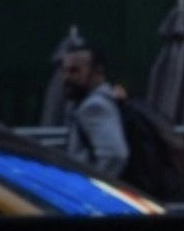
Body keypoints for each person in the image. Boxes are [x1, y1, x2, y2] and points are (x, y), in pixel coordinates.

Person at [54, 42, 131, 182]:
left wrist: (91, 188)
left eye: (74, 71)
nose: (66, 77)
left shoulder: (94, 106)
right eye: (64, 71)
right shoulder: (105, 100)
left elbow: (115, 155)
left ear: (97, 72)